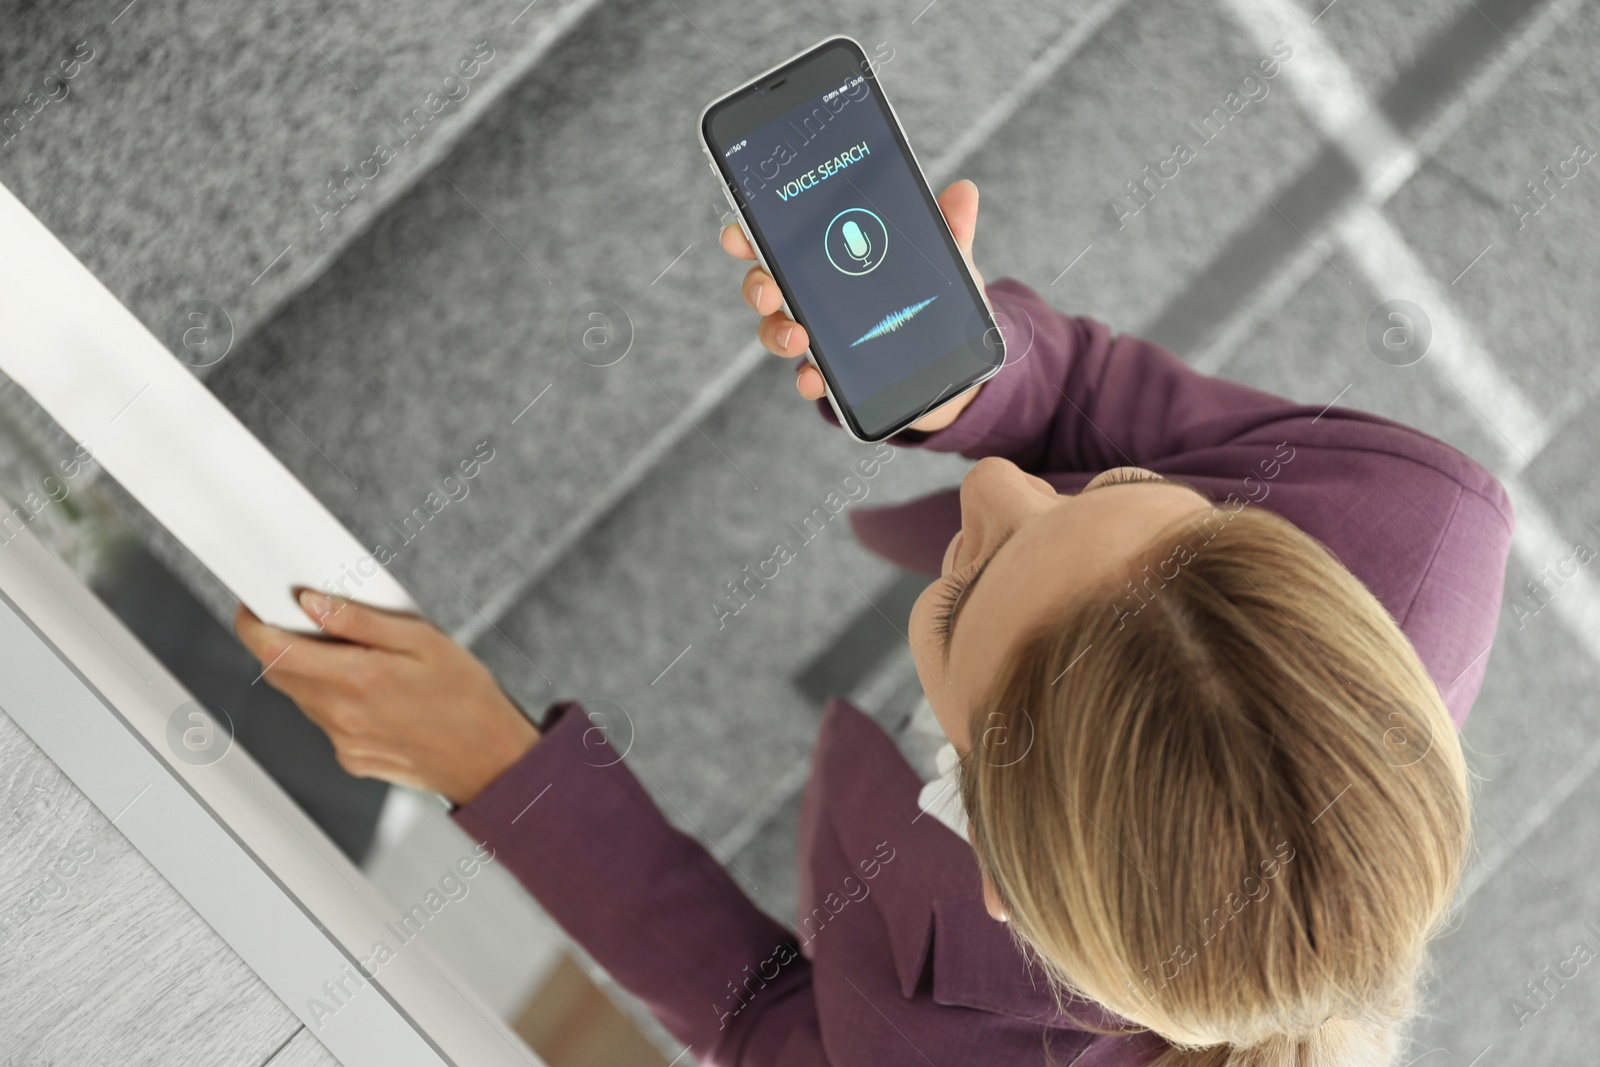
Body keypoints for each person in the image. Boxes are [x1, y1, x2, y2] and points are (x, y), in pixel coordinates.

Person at [235, 180, 1513, 1066]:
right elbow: (1089, 401)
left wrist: (493, 770)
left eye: (964, 602)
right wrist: (964, 370)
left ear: (1008, 886)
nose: (995, 483)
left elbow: (754, 1017)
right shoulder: (1419, 515)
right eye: (1130, 500)